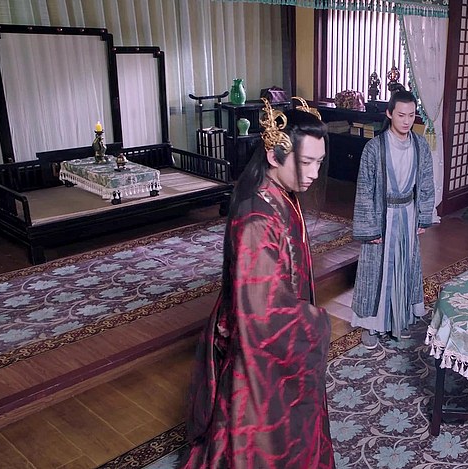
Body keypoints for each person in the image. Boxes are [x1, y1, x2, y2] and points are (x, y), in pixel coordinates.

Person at [180, 98, 335, 468]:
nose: (314, 172)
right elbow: (262, 312)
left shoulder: (282, 195)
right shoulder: (257, 219)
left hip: (275, 324)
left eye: (319, 162)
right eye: (306, 162)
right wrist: (315, 322)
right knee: (263, 434)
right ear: (273, 156)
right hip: (259, 340)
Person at [351, 90, 435, 348]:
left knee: (404, 267)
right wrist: (370, 228)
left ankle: (400, 319)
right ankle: (371, 325)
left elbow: (426, 183)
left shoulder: (420, 145)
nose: (407, 121)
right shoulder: (374, 148)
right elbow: (365, 189)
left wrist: (423, 216)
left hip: (408, 213)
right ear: (389, 114)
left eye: (411, 115)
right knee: (377, 270)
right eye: (401, 115)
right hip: (381, 214)